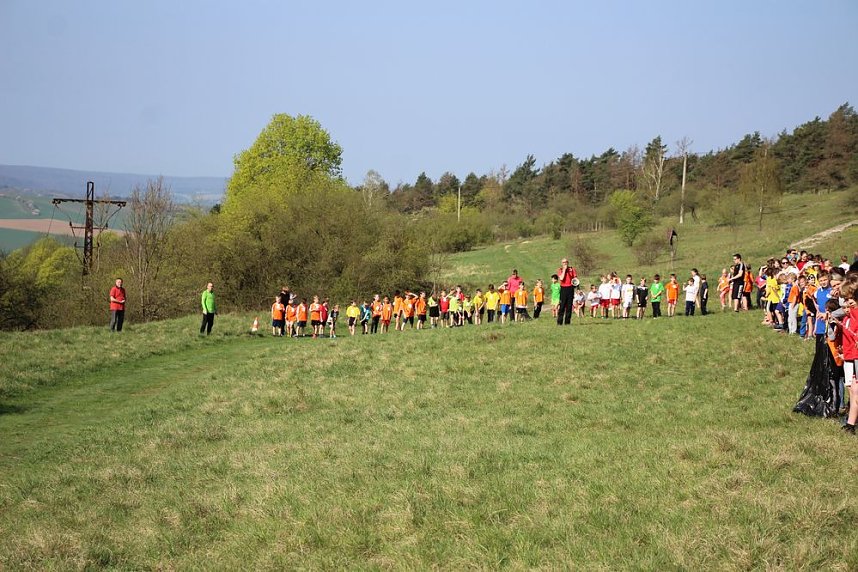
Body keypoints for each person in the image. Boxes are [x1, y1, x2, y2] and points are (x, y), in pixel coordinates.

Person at [556, 258, 577, 325]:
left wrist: (576, 286)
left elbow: (575, 279)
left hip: (570, 288)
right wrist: (564, 270)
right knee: (562, 305)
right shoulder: (560, 270)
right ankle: (559, 322)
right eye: (563, 262)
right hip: (563, 288)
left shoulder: (572, 269)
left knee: (569, 306)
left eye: (566, 262)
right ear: (562, 263)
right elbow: (561, 278)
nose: (565, 263)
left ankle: (567, 322)